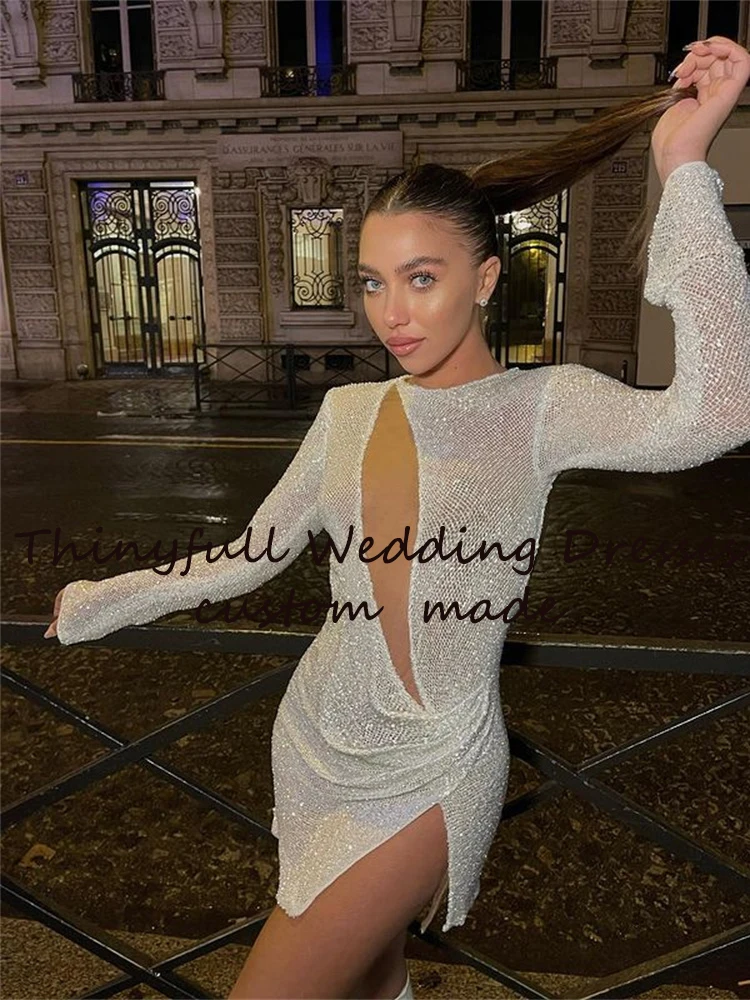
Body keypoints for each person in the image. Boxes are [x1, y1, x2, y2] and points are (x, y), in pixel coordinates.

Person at [46, 36, 750, 1000]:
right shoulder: (347, 411)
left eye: (422, 278)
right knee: (369, 986)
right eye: (374, 282)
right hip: (314, 741)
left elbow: (721, 411)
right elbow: (250, 555)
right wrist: (105, 599)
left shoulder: (544, 405)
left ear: (486, 279)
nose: (393, 313)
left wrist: (685, 167)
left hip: (435, 766)